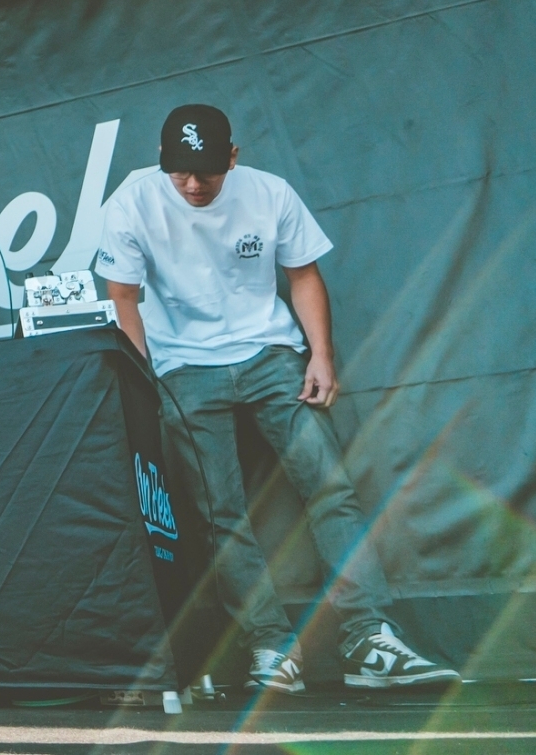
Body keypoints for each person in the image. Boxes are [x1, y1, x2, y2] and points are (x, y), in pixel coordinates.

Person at [96, 104, 458, 694]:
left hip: (270, 352)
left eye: (208, 172)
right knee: (220, 514)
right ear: (161, 160)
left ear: (233, 157)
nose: (193, 184)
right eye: (180, 171)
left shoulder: (269, 193)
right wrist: (147, 383)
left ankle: (367, 638)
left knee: (330, 486)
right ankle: (271, 645)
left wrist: (321, 354)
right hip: (182, 366)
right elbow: (123, 298)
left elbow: (303, 275)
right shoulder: (131, 203)